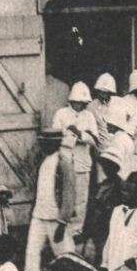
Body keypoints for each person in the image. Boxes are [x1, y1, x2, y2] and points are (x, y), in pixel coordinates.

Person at [23, 131, 71, 271]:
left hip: (55, 218)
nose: (43, 146)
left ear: (55, 143)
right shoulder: (43, 161)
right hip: (39, 216)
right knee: (31, 255)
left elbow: (68, 193)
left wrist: (63, 222)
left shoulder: (63, 162)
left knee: (65, 257)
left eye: (46, 143)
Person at [52, 81, 100, 220]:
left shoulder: (89, 116)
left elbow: (94, 140)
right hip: (65, 161)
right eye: (77, 101)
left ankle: (77, 229)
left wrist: (79, 134)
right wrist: (77, 137)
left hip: (82, 163)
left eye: (83, 102)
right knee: (64, 196)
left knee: (81, 199)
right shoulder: (61, 114)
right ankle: (63, 227)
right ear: (71, 100)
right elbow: (56, 138)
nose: (81, 105)